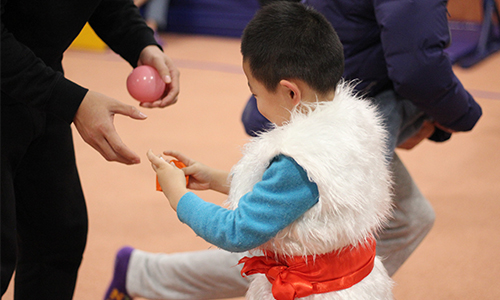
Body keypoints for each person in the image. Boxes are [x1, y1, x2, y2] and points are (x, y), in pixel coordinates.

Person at [104, 0, 483, 299]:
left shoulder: (300, 161)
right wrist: (221, 179)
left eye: (255, 92)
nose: (256, 102)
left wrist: (177, 196)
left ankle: (147, 277)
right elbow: (304, 200)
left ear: (289, 91)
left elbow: (237, 230)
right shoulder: (357, 124)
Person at [1, 0, 179, 297]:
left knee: (58, 237)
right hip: (28, 80)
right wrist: (73, 103)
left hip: (39, 85)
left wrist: (141, 44)